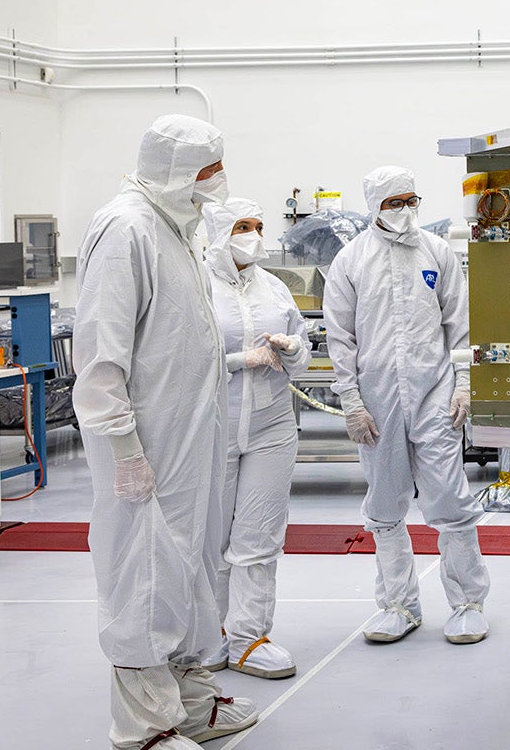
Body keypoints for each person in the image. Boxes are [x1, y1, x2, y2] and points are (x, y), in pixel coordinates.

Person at [72, 115, 259, 750]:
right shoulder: (126, 229)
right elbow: (101, 352)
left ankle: (190, 701)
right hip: (145, 446)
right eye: (206, 173)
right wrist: (123, 445)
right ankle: (143, 726)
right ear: (174, 171)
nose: (216, 185)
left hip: (188, 442)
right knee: (145, 573)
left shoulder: (173, 226)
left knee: (191, 568)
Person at [325, 165, 490, 645]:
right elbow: (340, 338)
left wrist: (464, 384)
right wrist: (351, 401)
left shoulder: (437, 252)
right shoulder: (351, 261)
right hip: (376, 399)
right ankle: (398, 604)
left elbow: (460, 327)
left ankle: (468, 603)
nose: (405, 210)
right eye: (394, 202)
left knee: (450, 498)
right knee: (384, 501)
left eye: (411, 200)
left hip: (434, 393)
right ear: (374, 206)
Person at [200, 198, 311, 679]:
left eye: (259, 227)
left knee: (260, 536)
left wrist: (293, 349)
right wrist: (240, 360)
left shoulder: (273, 287)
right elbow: (180, 360)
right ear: (218, 232)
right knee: (210, 537)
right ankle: (209, 632)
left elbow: (302, 350)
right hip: (212, 426)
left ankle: (249, 637)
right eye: (243, 227)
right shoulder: (195, 286)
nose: (254, 236)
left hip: (271, 427)